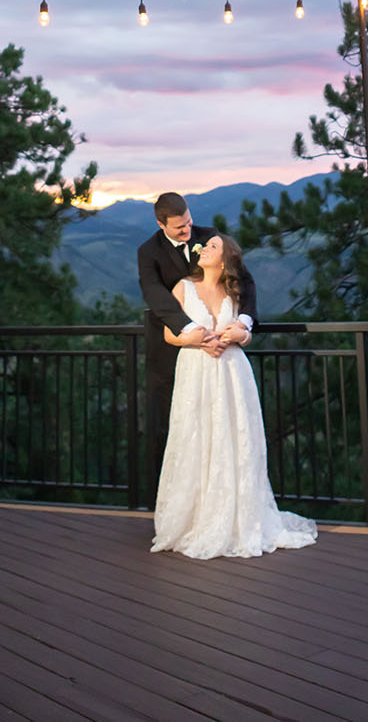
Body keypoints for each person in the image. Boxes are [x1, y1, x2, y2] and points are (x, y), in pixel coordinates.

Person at [151, 232, 318, 559]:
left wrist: (241, 334)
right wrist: (198, 341)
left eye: (213, 246)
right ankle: (195, 519)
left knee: (234, 440)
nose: (204, 248)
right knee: (195, 438)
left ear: (226, 259)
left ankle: (237, 517)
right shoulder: (183, 288)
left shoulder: (235, 291)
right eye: (206, 244)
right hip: (196, 373)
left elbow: (246, 335)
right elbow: (170, 335)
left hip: (232, 374)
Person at [136, 192, 255, 499]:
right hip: (173, 351)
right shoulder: (148, 252)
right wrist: (194, 333)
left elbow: (244, 280)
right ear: (161, 223)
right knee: (176, 431)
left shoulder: (211, 238)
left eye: (188, 222)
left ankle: (224, 500)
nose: (187, 231)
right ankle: (171, 505)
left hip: (222, 363)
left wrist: (244, 323)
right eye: (179, 228)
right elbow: (155, 296)